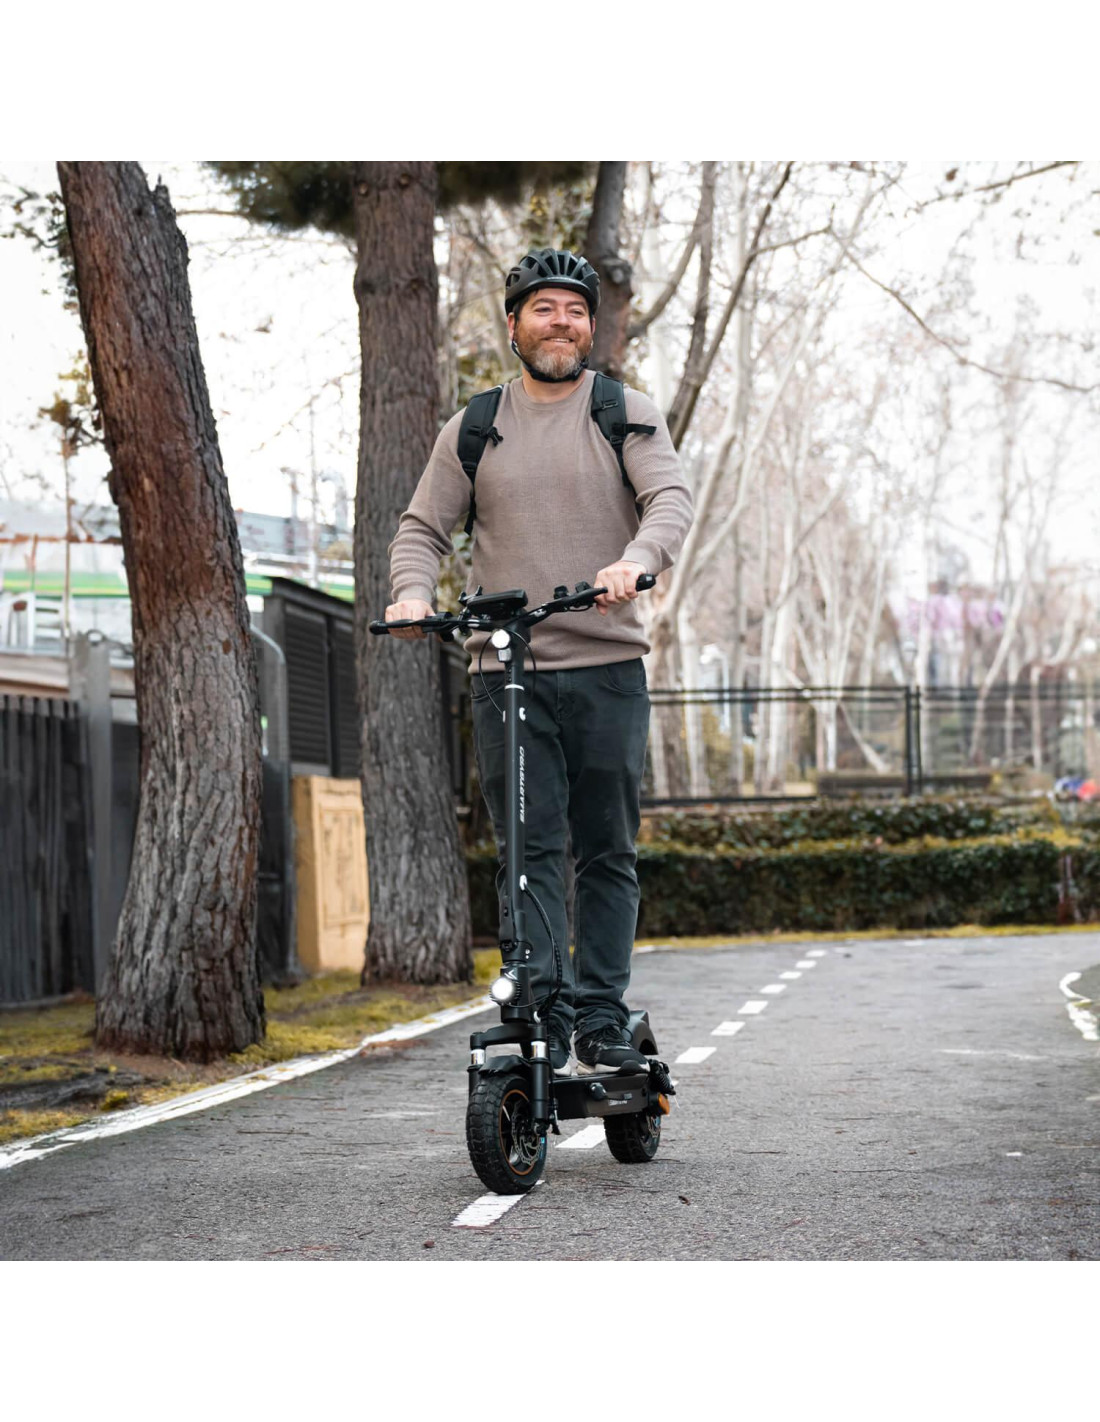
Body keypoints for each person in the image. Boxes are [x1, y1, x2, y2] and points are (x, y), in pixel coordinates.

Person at [385, 247, 693, 1076]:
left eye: (576, 311)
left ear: (591, 325)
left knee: (606, 850)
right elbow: (422, 528)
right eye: (545, 309)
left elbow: (668, 499)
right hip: (506, 674)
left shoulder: (622, 411)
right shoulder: (476, 426)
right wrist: (412, 595)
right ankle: (544, 1012)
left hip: (606, 669)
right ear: (514, 324)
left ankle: (599, 1016)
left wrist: (636, 560)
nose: (562, 323)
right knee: (528, 851)